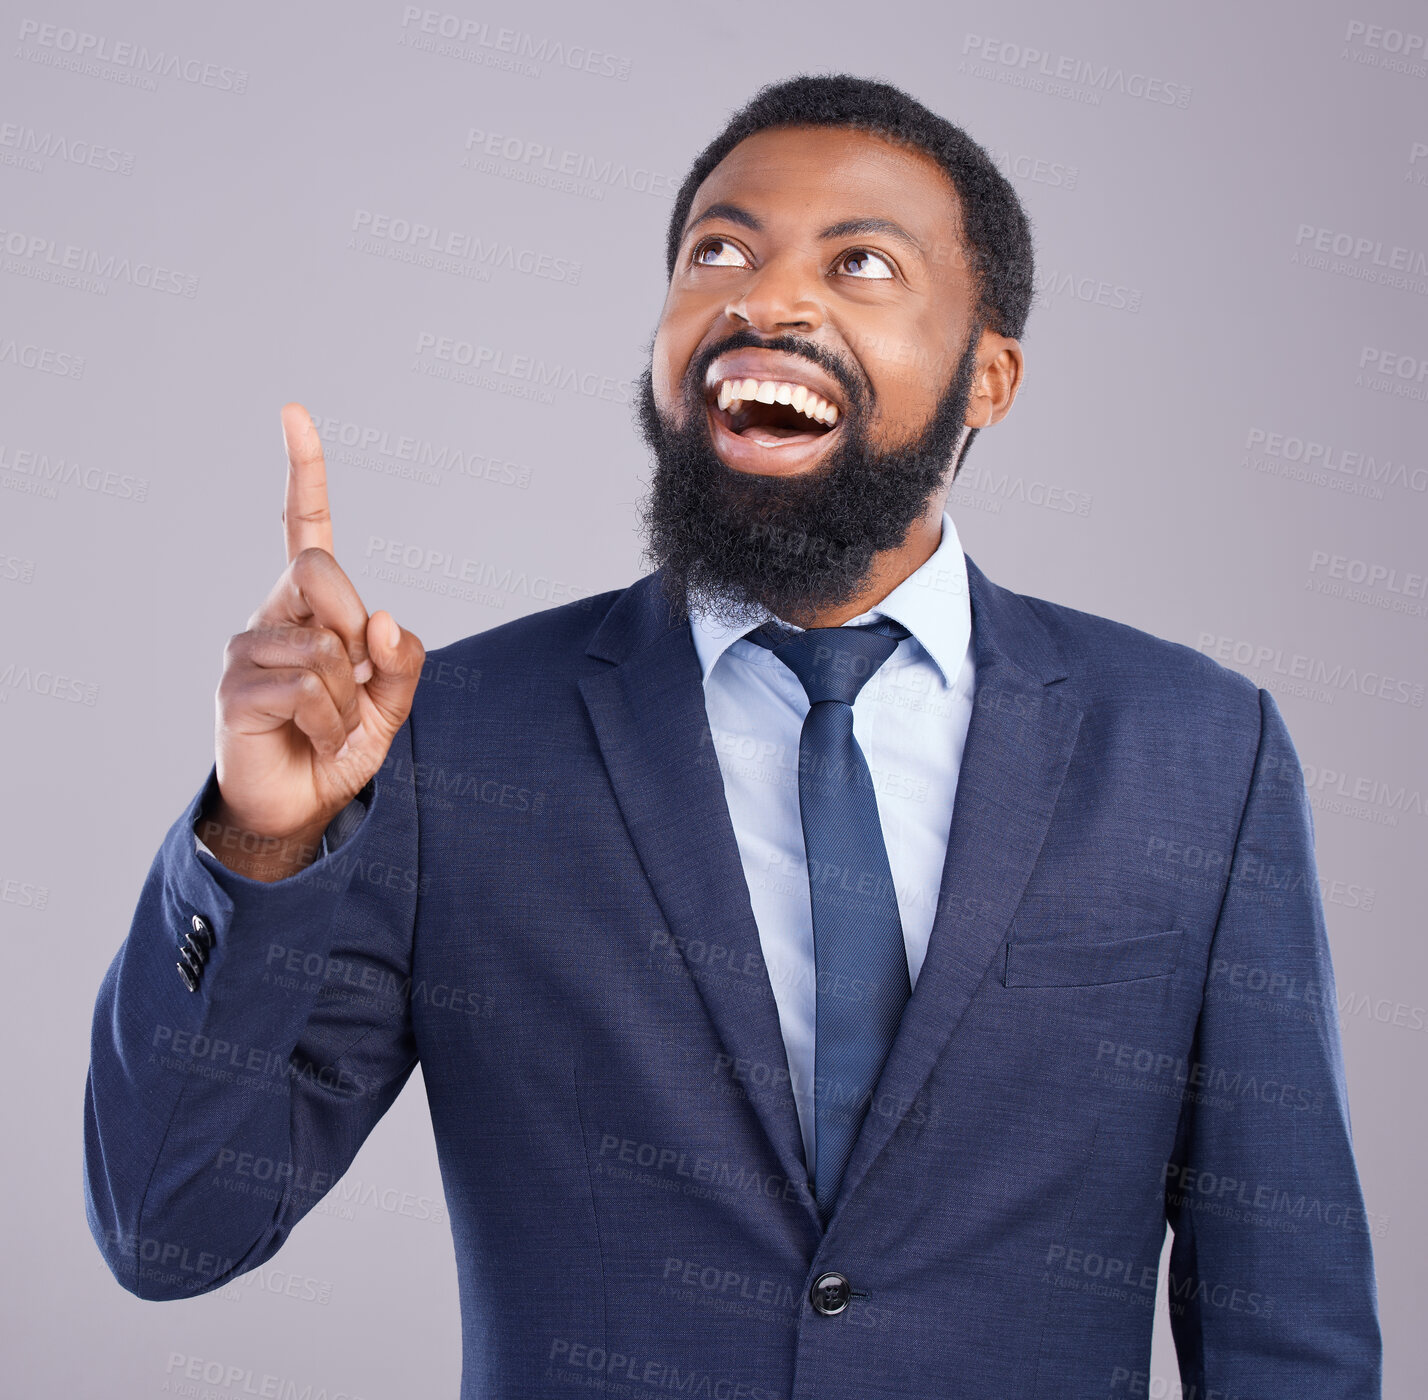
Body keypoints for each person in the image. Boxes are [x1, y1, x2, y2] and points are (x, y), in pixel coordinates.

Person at [83, 73, 1381, 1398]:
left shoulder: (1199, 753)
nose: (767, 301)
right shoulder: (452, 738)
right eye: (719, 251)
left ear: (989, 375)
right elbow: (169, 1232)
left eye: (861, 261)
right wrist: (259, 843)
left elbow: (1288, 1328)